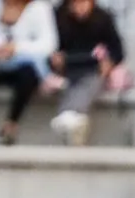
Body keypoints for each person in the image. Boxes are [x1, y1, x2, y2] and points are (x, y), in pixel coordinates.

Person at [0, 0, 58, 145]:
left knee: (28, 73)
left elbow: (49, 44)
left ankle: (10, 126)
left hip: (20, 65)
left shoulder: (39, 9)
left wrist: (16, 48)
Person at [49, 0, 125, 146]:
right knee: (70, 86)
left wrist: (109, 62)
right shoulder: (58, 15)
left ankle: (69, 114)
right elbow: (50, 43)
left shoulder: (103, 17)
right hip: (67, 67)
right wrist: (55, 56)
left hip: (94, 68)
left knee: (88, 84)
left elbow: (118, 50)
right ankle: (73, 119)